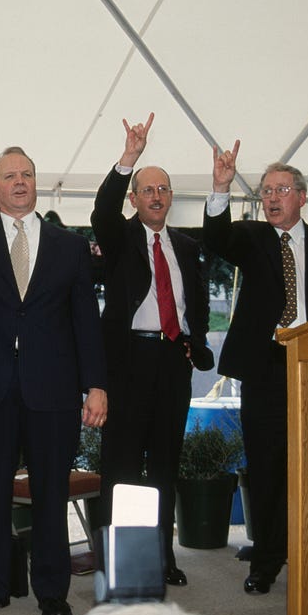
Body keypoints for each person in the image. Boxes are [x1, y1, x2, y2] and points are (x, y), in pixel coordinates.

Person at [0, 147, 107, 615]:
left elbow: (86, 321)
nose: (19, 182)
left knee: (51, 495)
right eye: (9, 176)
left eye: (27, 174)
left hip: (54, 390)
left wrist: (96, 385)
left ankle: (52, 593)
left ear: (35, 183)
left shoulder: (69, 246)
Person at [204, 144, 308, 595]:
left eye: (281, 190)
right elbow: (216, 240)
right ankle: (267, 559)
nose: (272, 198)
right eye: (266, 191)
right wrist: (221, 187)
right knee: (266, 465)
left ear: (302, 197)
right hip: (267, 364)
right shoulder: (252, 239)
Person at [90, 114, 214, 587]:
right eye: (147, 189)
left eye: (163, 189)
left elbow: (193, 303)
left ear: (170, 197)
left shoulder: (185, 245)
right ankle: (118, 563)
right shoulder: (120, 239)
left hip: (172, 363)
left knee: (164, 464)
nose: (157, 196)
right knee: (120, 468)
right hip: (127, 364)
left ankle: (163, 558)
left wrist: (193, 344)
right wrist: (129, 159)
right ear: (135, 199)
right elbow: (102, 212)